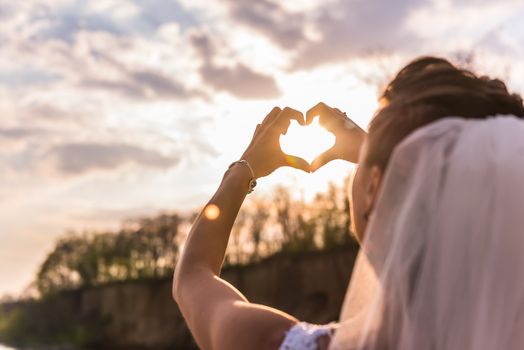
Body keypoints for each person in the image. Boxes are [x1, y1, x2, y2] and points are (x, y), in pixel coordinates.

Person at [172, 57, 524, 350]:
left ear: (373, 188)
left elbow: (192, 275)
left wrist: (243, 169)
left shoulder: (276, 342)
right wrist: (381, 156)